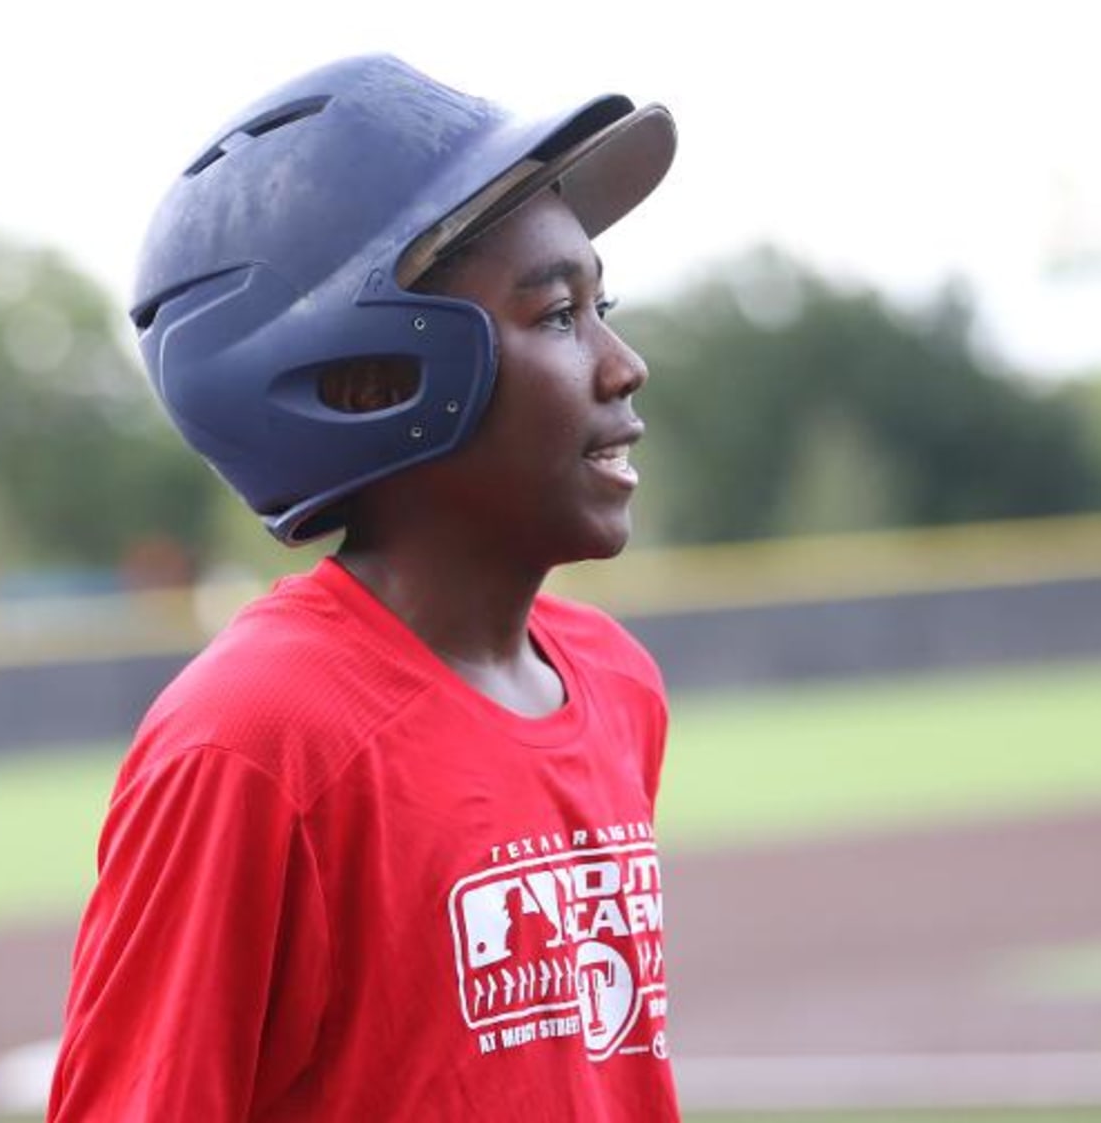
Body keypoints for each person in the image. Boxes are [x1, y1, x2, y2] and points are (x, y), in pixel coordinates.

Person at [48, 55, 681, 1121]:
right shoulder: (256, 740)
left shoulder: (617, 684)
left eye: (600, 304)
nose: (624, 365)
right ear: (376, 379)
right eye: (559, 316)